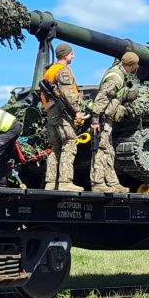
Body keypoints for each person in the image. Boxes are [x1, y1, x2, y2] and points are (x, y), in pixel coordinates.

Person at [89, 52, 139, 194]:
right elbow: (101, 98)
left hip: (107, 118)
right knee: (100, 150)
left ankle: (112, 183)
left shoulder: (119, 74)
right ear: (132, 65)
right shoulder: (115, 78)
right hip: (102, 119)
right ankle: (98, 183)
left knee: (108, 150)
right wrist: (95, 120)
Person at [41, 44, 85, 192]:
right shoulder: (63, 71)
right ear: (65, 55)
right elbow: (67, 93)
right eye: (71, 54)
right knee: (70, 142)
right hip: (61, 113)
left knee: (55, 148)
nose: (73, 56)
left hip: (51, 113)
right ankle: (65, 182)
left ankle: (50, 182)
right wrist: (77, 111)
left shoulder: (49, 71)